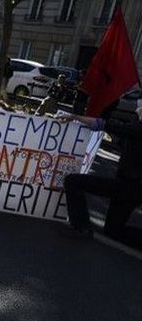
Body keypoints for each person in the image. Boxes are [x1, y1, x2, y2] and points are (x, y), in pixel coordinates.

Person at [61, 102, 142, 239]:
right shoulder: (136, 128)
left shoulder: (138, 129)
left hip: (129, 186)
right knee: (113, 231)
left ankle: (81, 225)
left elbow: (102, 124)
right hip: (131, 187)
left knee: (72, 181)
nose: (136, 109)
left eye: (140, 106)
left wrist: (74, 116)